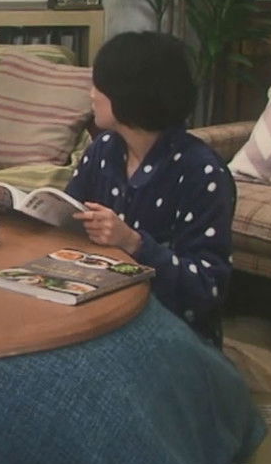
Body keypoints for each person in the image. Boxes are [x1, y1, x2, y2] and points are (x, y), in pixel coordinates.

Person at [64, 31, 234, 342]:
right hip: (92, 307)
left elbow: (206, 288)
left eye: (99, 86)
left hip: (169, 330)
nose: (91, 94)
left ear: (128, 94)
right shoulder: (104, 149)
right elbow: (66, 218)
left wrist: (134, 243)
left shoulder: (201, 172)